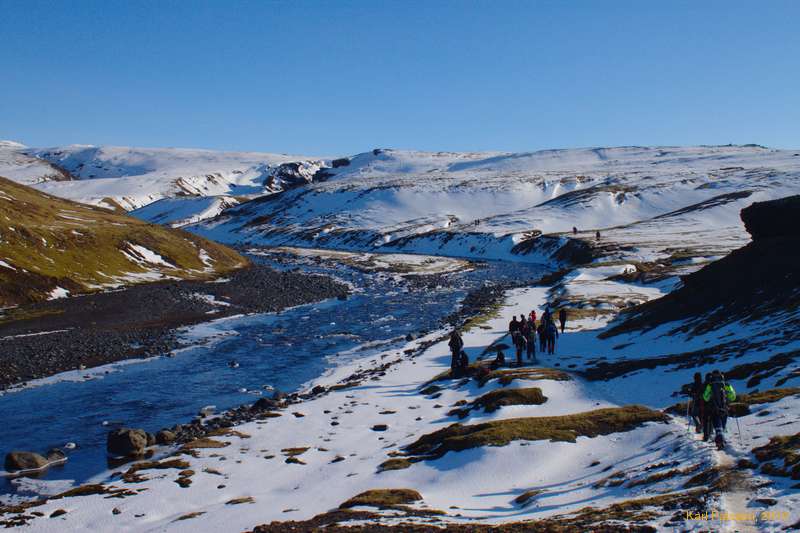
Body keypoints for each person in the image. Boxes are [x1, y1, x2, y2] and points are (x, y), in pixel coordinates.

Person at [702, 370, 736, 449]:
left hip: (714, 409)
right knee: (722, 426)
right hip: (725, 408)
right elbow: (733, 397)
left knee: (717, 427)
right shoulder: (726, 384)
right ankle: (721, 440)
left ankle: (719, 441)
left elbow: (705, 398)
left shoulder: (710, 386)